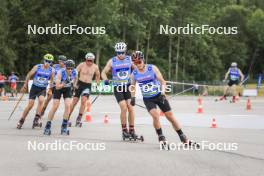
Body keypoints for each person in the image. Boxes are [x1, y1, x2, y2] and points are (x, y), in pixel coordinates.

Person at [130, 51, 197, 148]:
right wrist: (133, 97)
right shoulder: (134, 73)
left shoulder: (152, 68)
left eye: (139, 62)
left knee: (170, 117)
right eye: (135, 63)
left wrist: (163, 93)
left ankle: (183, 137)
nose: (138, 64)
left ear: (143, 60)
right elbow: (132, 86)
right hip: (148, 99)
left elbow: (163, 82)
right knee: (155, 116)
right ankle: (161, 137)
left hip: (159, 95)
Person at [101, 42, 139, 140]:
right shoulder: (112, 61)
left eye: (122, 52)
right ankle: (124, 130)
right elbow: (103, 72)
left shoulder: (130, 60)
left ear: (125, 51)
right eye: (118, 53)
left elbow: (137, 70)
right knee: (124, 107)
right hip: (118, 87)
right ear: (116, 52)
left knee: (130, 107)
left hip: (127, 86)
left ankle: (132, 130)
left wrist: (137, 77)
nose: (120, 55)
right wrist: (105, 79)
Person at [17, 54, 54, 129]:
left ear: (51, 62)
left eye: (49, 62)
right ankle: (22, 119)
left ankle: (36, 119)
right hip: (34, 87)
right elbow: (29, 75)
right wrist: (25, 85)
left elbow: (52, 80)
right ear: (44, 60)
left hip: (43, 88)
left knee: (41, 101)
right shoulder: (38, 67)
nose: (47, 63)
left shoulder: (51, 70)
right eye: (46, 61)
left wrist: (50, 89)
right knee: (30, 105)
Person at [44, 60, 77, 135]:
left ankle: (64, 126)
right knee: (55, 106)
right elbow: (58, 87)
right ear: (65, 68)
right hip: (58, 88)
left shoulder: (75, 72)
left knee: (68, 106)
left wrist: (74, 86)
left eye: (71, 68)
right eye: (68, 68)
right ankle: (48, 126)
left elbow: (76, 79)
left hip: (67, 89)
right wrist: (64, 82)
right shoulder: (60, 73)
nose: (70, 70)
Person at [69, 52, 100, 127]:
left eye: (91, 61)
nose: (89, 62)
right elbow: (74, 73)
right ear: (86, 59)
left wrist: (97, 84)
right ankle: (67, 117)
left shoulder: (95, 67)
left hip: (87, 85)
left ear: (93, 60)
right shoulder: (81, 65)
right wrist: (74, 83)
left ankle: (79, 118)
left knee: (83, 101)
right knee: (74, 102)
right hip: (79, 84)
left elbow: (97, 76)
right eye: (88, 60)